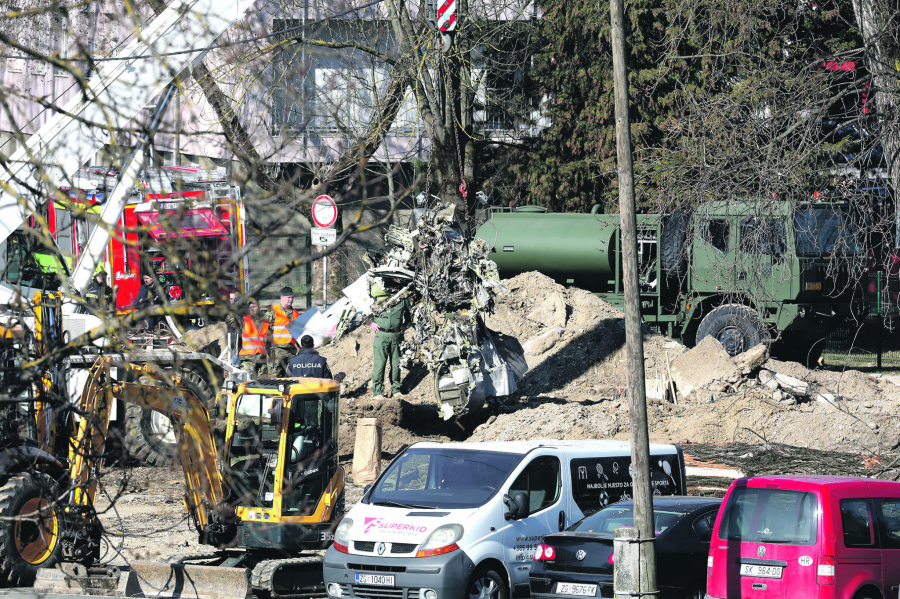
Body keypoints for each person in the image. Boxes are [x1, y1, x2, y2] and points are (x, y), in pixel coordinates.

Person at [370, 295, 411, 399]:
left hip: (397, 336)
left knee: (396, 364)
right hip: (381, 335)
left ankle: (396, 390)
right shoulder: (378, 297)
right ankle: (377, 392)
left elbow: (409, 314)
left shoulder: (403, 299)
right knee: (380, 364)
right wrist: (370, 323)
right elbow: (364, 314)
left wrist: (405, 325)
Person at [226, 296, 268, 377]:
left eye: (254, 306)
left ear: (259, 307)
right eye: (250, 307)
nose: (252, 309)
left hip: (261, 359)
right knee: (248, 381)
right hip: (247, 359)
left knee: (263, 383)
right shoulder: (244, 320)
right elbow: (229, 320)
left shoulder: (265, 322)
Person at [265, 286, 300, 377]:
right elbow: (264, 330)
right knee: (275, 378)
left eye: (292, 297)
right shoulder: (273, 311)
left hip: (291, 351)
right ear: (281, 297)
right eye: (288, 297)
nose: (290, 300)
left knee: (292, 378)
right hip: (276, 351)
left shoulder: (295, 313)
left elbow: (299, 333)